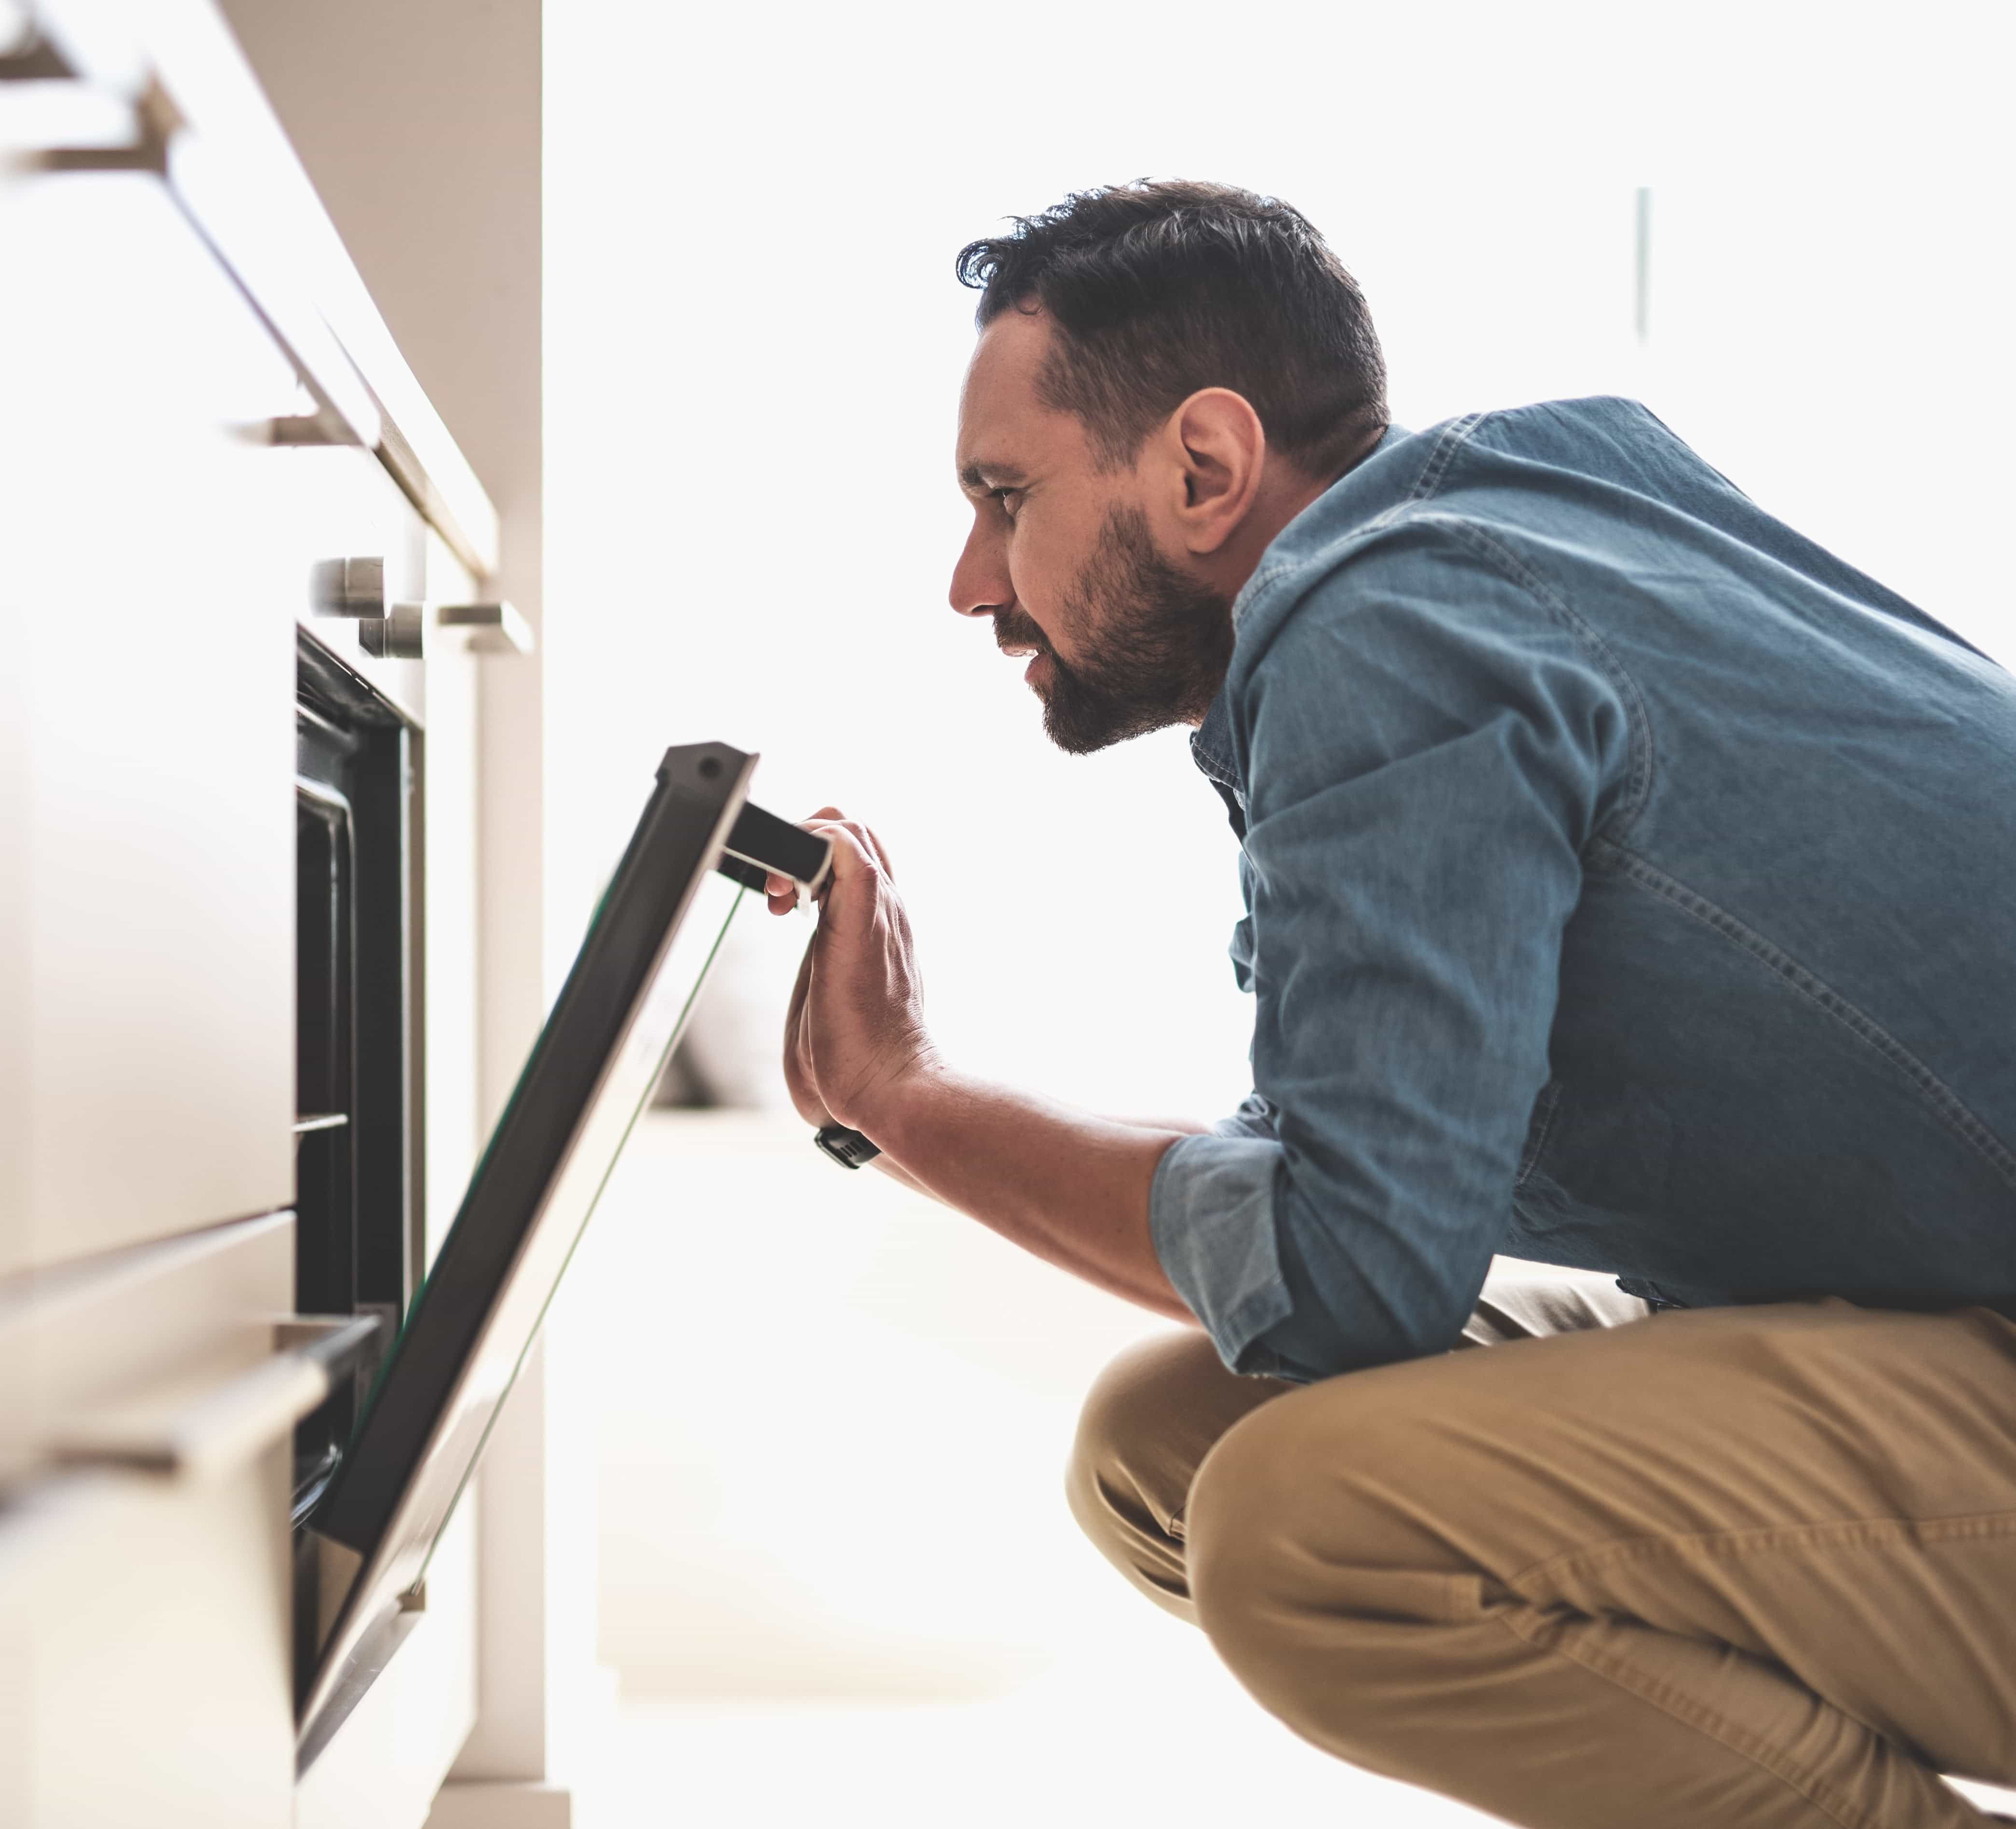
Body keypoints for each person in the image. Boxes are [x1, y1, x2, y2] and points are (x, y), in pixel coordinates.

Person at [764, 179, 2016, 1827]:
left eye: (1006, 496)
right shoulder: (1531, 509)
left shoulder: (1381, 628)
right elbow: (1347, 1197)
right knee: (1174, 1443)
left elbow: (1352, 1275)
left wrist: (904, 1094)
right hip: (1944, 1317)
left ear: (1204, 467)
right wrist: (910, 1100)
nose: (969, 579)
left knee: (1307, 1525)